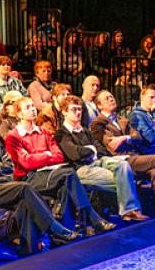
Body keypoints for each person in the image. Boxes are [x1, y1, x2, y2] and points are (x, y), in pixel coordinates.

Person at [0, 110, 80, 254]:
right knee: (24, 188)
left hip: (4, 185)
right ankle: (53, 227)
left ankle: (29, 247)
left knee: (25, 202)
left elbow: (9, 166)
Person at [4, 97, 110, 235]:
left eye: (33, 106)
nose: (33, 109)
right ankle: (93, 218)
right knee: (69, 174)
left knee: (65, 186)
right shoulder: (13, 137)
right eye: (28, 107)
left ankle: (67, 230)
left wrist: (39, 156)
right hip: (29, 178)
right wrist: (47, 155)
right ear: (19, 114)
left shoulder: (44, 132)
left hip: (50, 174)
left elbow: (58, 156)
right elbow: (27, 163)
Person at [54, 95, 142, 223]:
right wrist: (90, 149)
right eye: (74, 109)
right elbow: (75, 154)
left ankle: (128, 210)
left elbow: (100, 149)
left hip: (97, 162)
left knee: (122, 165)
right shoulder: (62, 133)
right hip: (80, 169)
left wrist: (90, 150)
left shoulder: (84, 130)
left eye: (79, 109)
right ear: (64, 112)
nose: (78, 112)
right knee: (123, 179)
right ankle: (129, 212)